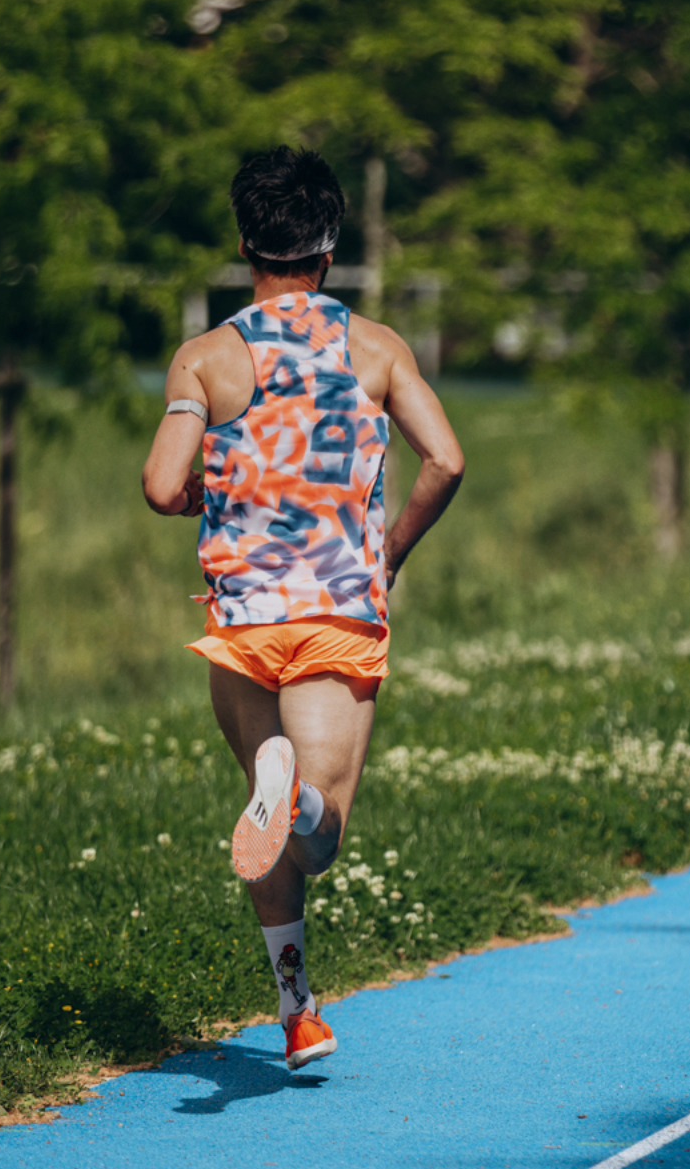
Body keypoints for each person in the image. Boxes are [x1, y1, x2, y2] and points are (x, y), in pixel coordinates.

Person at [141, 146, 464, 1070]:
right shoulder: (378, 348)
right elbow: (446, 461)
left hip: (245, 621)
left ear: (246, 244)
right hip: (336, 615)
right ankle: (302, 796)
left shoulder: (205, 358)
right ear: (330, 249)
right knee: (315, 835)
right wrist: (387, 554)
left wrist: (211, 491)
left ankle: (297, 1012)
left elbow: (162, 485)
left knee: (269, 825)